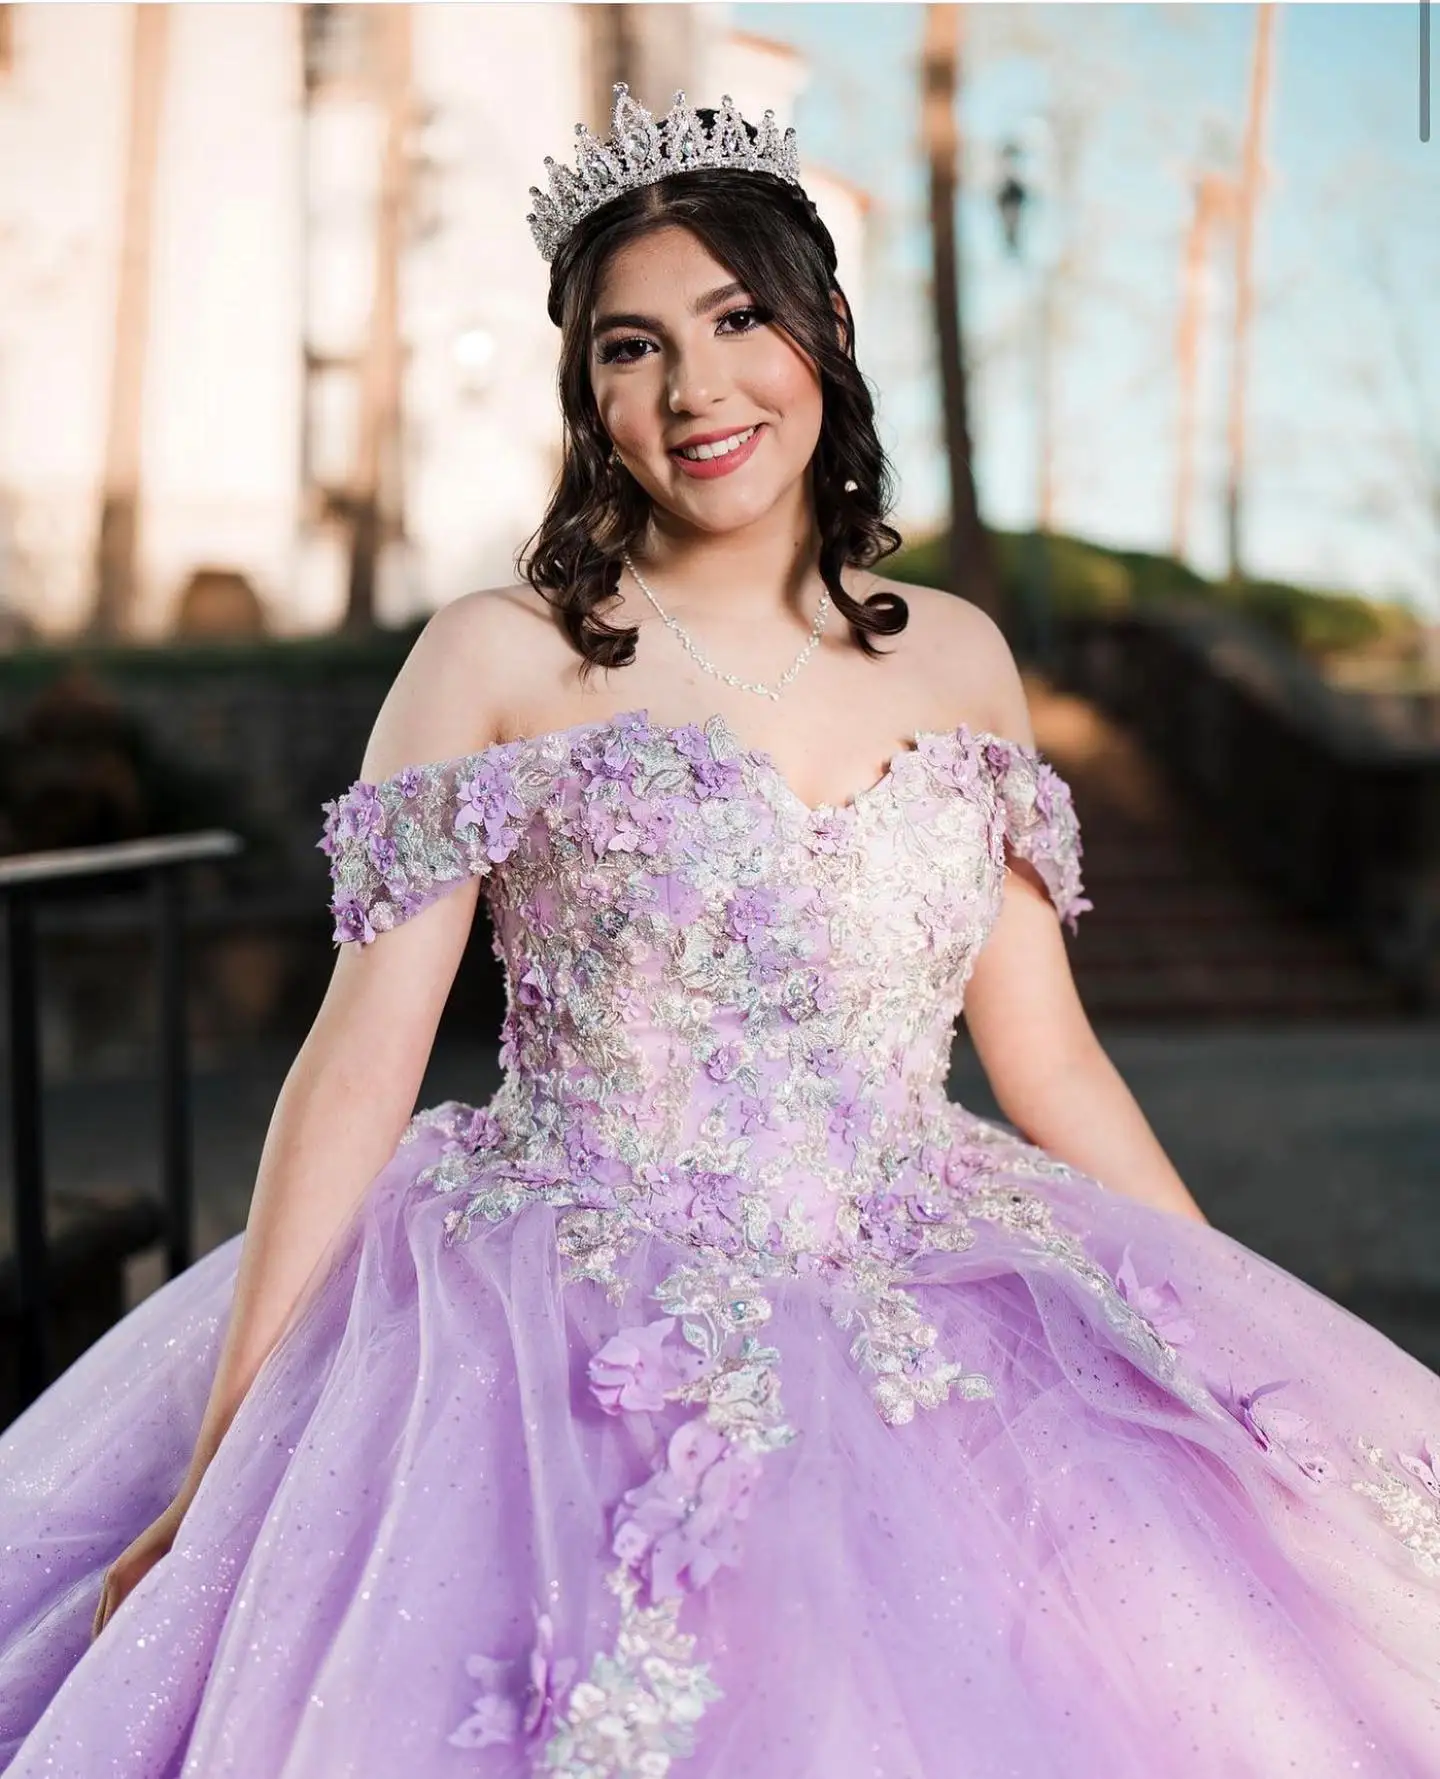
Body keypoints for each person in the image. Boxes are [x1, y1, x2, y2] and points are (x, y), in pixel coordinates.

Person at [2, 84, 1438, 1779]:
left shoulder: (965, 657)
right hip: (549, 1310)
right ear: (584, 390)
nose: (693, 389)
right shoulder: (499, 654)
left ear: (823, 328)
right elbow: (353, 1063)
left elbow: (1047, 1052)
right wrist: (219, 1467)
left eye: (735, 318)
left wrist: (1225, 1351)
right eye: (629, 346)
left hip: (925, 1280)